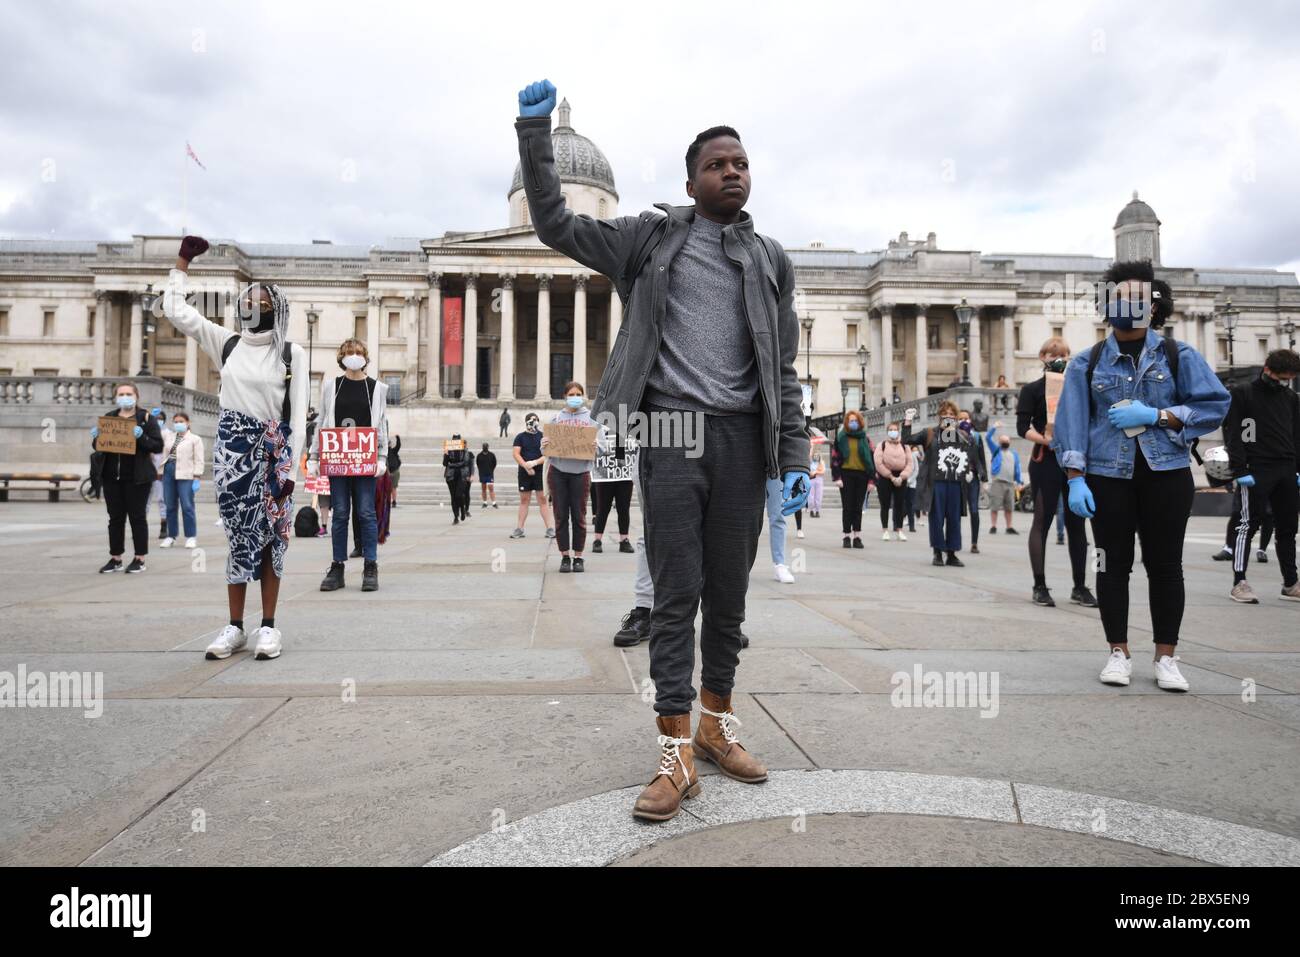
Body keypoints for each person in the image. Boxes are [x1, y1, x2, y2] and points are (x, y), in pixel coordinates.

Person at [516, 79, 808, 822]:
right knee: (676, 595)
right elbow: (552, 222)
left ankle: (716, 724)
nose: (733, 171)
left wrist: (796, 458)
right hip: (672, 430)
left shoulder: (772, 258)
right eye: (718, 164)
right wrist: (533, 131)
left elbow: (783, 370)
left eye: (741, 161)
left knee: (732, 599)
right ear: (691, 181)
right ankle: (674, 750)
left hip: (744, 436)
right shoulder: (646, 237)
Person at [1053, 263, 1230, 691]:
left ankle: (1166, 657)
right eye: (1117, 297)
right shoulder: (1086, 362)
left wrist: (1160, 416)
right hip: (1106, 476)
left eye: (1136, 297)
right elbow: (1071, 422)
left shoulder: (1178, 355)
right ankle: (1119, 652)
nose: (1125, 305)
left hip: (1166, 473)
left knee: (1166, 566)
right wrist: (1075, 477)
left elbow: (1214, 404)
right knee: (1111, 565)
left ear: (1154, 307)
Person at [163, 236, 307, 660]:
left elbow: (297, 415)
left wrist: (291, 470)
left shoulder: (289, 354)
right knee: (238, 538)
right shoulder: (225, 343)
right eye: (247, 299)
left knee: (270, 542)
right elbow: (176, 311)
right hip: (231, 455)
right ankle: (233, 627)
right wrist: (183, 263)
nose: (250, 305)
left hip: (271, 458)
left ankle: (268, 627)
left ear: (275, 309)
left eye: (259, 301)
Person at [1018, 337, 1095, 607]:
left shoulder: (1077, 389)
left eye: (1063, 355)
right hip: (1046, 461)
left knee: (1077, 525)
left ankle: (1080, 586)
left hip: (1074, 461)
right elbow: (1021, 427)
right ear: (1042, 357)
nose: (1058, 359)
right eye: (1053, 355)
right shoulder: (1032, 390)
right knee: (1042, 520)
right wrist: (1045, 439)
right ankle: (1039, 585)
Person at [310, 338, 389, 594]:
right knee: (340, 513)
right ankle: (337, 566)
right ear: (341, 357)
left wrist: (382, 457)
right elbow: (322, 421)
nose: (354, 357)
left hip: (365, 459)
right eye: (349, 353)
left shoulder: (377, 388)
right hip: (337, 459)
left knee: (366, 512)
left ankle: (370, 565)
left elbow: (381, 424)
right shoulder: (331, 386)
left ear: (365, 357)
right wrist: (314, 455)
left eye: (358, 352)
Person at [1222, 348, 1300, 603]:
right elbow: (1232, 433)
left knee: (1288, 527)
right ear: (1267, 369)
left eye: (1287, 378)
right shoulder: (1243, 394)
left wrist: (1298, 469)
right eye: (1279, 377)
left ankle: (1290, 583)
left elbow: (1297, 435)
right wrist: (1239, 469)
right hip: (1256, 469)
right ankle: (1239, 582)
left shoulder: (1290, 398)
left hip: (1286, 468)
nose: (1282, 383)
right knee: (1248, 524)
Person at [91, 382, 164, 573]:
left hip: (137, 477)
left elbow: (157, 446)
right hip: (111, 477)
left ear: (136, 396)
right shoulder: (110, 418)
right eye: (121, 393)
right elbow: (100, 446)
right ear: (116, 397)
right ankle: (116, 558)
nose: (125, 397)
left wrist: (141, 437)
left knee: (137, 518)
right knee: (115, 519)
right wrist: (96, 437)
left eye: (128, 393)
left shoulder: (146, 418)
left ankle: (139, 558)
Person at [904, 400, 976, 566]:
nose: (948, 417)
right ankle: (937, 552)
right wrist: (908, 421)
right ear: (939, 416)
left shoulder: (962, 436)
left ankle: (951, 553)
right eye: (945, 414)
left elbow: (968, 456)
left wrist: (969, 471)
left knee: (954, 519)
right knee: (936, 518)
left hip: (956, 483)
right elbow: (907, 439)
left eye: (952, 414)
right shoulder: (930, 433)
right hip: (936, 482)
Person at [543, 381, 598, 572]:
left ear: (583, 396)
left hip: (580, 473)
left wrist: (595, 446)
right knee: (560, 516)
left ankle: (579, 556)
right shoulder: (556, 418)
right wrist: (545, 444)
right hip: (558, 472)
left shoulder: (592, 418)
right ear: (565, 396)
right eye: (571, 394)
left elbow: (604, 446)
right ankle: (565, 555)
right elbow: (546, 450)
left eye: (578, 394)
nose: (575, 397)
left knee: (579, 516)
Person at [159, 411, 204, 549]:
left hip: (186, 474)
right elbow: (163, 453)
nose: (178, 424)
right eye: (176, 422)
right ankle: (171, 536)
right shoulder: (169, 437)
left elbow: (199, 459)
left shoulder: (194, 439)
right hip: (169, 471)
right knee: (170, 505)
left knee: (187, 506)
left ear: (187, 422)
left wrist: (197, 476)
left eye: (181, 421)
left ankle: (190, 536)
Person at [830, 409, 873, 549]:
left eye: (855, 420)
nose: (853, 423)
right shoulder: (841, 437)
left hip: (862, 475)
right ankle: (846, 536)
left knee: (858, 507)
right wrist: (836, 477)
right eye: (851, 420)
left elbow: (871, 459)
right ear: (847, 423)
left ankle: (857, 536)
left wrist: (872, 480)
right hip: (846, 474)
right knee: (847, 506)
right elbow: (835, 458)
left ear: (859, 422)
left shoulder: (865, 438)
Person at [511, 412, 554, 538]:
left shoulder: (543, 436)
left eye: (535, 420)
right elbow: (516, 453)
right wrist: (526, 466)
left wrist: (534, 463)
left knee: (543, 500)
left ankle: (550, 528)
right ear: (526, 422)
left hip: (540, 471)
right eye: (530, 420)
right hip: (524, 472)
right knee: (524, 500)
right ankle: (519, 528)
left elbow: (547, 454)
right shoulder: (520, 437)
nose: (533, 422)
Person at [957, 409, 989, 553]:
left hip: (973, 478)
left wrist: (984, 477)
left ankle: (974, 543)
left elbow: (981, 457)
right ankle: (954, 540)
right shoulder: (951, 436)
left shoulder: (975, 436)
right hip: (957, 478)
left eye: (966, 418)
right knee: (956, 510)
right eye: (961, 418)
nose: (964, 421)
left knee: (974, 510)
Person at [875, 421, 912, 540]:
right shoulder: (882, 445)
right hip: (886, 477)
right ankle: (885, 529)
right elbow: (878, 462)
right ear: (887, 432)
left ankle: (899, 530)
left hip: (901, 476)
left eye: (895, 429)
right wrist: (890, 476)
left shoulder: (904, 445)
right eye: (891, 429)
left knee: (900, 504)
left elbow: (910, 463)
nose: (893, 432)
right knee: (885, 504)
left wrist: (902, 477)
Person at [984, 421, 1021, 535]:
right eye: (1003, 440)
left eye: (1006, 440)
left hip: (1010, 483)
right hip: (998, 482)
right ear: (999, 442)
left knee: (1009, 507)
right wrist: (994, 427)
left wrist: (1019, 481)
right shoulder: (996, 450)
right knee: (994, 506)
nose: (1005, 441)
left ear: (1009, 442)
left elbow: (1017, 468)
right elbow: (988, 437)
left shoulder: (1014, 453)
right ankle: (993, 526)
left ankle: (1009, 527)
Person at [149, 406, 171, 540]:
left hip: (160, 471)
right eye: (156, 419)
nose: (158, 421)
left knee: (162, 499)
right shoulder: (147, 432)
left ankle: (164, 525)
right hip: (146, 470)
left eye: (161, 419)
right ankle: (141, 526)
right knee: (144, 500)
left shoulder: (168, 433)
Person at [443, 434, 475, 523]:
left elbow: (465, 462)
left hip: (462, 475)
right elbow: (445, 463)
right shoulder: (449, 450)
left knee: (459, 495)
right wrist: (445, 454)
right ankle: (456, 517)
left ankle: (462, 509)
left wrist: (452, 464)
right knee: (453, 497)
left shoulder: (465, 450)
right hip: (451, 476)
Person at [905, 443, 922, 532]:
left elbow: (916, 470)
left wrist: (909, 480)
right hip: (901, 483)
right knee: (900, 504)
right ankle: (896, 524)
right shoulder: (901, 455)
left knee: (910, 505)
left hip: (911, 484)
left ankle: (912, 525)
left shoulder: (913, 457)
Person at [477, 442, 498, 508]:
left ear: (488, 447)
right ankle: (485, 502)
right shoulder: (479, 455)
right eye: (484, 446)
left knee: (491, 488)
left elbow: (494, 463)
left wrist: (491, 470)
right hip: (482, 474)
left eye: (486, 446)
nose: (485, 447)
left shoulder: (492, 455)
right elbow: (478, 464)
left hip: (489, 474)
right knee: (483, 488)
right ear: (482, 447)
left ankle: (494, 503)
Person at [807, 443, 825, 518]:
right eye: (815, 455)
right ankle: (811, 510)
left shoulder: (821, 463)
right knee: (811, 496)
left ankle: (817, 510)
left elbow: (823, 471)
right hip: (811, 479)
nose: (816, 456)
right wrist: (812, 446)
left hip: (819, 479)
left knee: (818, 496)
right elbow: (809, 456)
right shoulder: (810, 462)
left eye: (817, 455)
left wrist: (816, 472)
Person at [386, 432, 402, 508]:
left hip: (394, 471)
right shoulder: (383, 452)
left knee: (393, 488)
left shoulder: (393, 451)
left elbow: (398, 446)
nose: (389, 445)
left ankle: (394, 501)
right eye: (388, 443)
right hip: (387, 471)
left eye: (389, 443)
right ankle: (387, 501)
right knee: (387, 488)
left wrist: (398, 438)